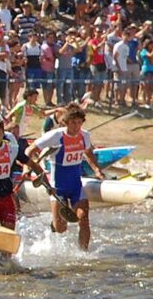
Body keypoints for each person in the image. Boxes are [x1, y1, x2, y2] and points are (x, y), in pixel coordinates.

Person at [29, 102, 104, 250]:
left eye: (79, 123)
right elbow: (30, 150)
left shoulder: (85, 136)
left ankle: (84, 254)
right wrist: (29, 167)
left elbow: (88, 152)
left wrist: (97, 170)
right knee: (61, 228)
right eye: (73, 123)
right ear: (65, 122)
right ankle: (54, 223)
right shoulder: (55, 136)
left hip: (76, 186)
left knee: (83, 219)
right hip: (57, 188)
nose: (76, 126)